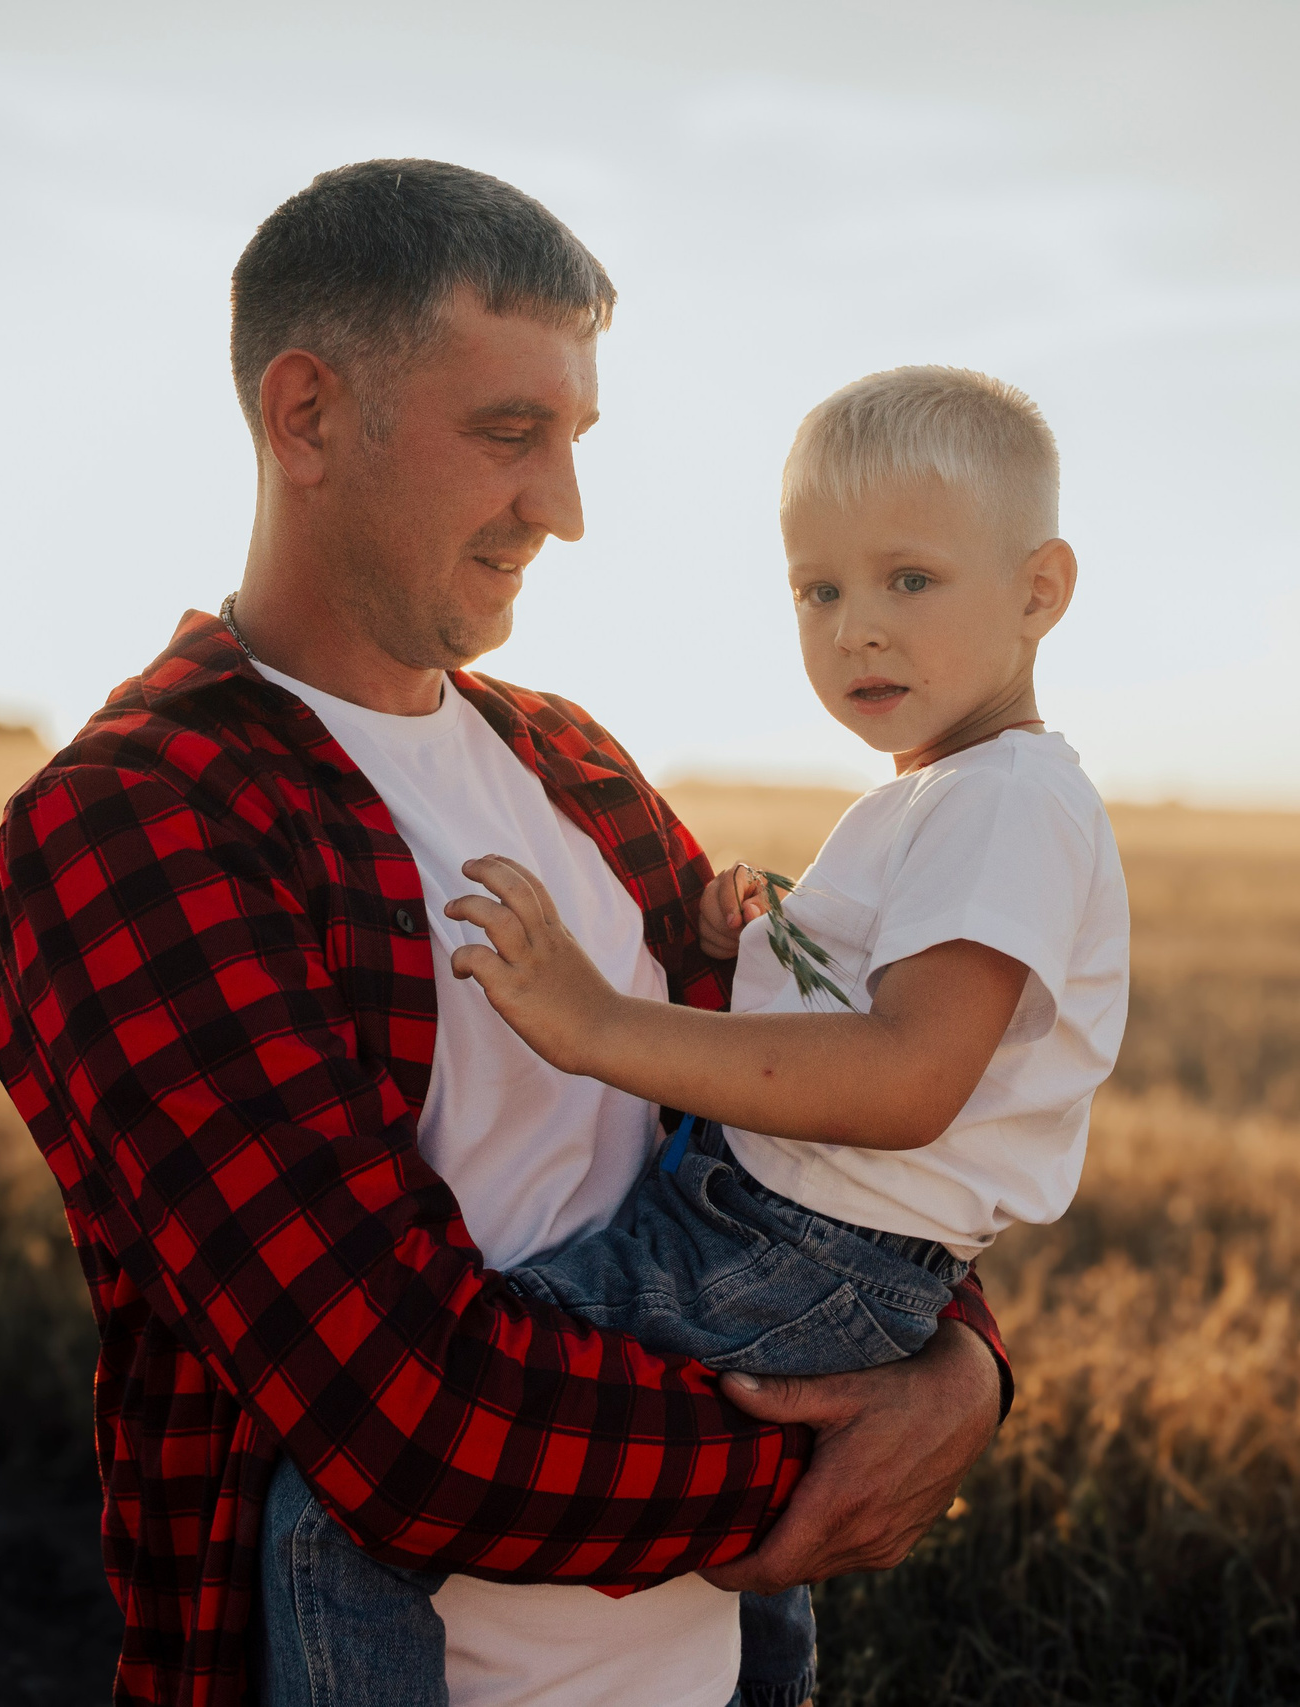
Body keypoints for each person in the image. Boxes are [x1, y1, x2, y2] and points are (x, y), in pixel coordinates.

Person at [0, 159, 1013, 1707]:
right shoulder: (144, 819)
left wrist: (967, 1368)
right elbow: (406, 1422)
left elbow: (820, 1131)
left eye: (576, 439)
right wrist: (853, 1441)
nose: (566, 511)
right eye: (509, 435)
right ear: (308, 415)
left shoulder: (575, 766)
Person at [262, 367, 1130, 1707]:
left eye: (910, 581)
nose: (857, 633)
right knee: (756, 1540)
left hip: (794, 1249)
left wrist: (604, 1024)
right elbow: (874, 1031)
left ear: (1040, 591)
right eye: (817, 590)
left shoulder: (1004, 801)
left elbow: (908, 1082)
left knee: (332, 1505)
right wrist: (762, 952)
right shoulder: (943, 798)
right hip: (785, 1233)